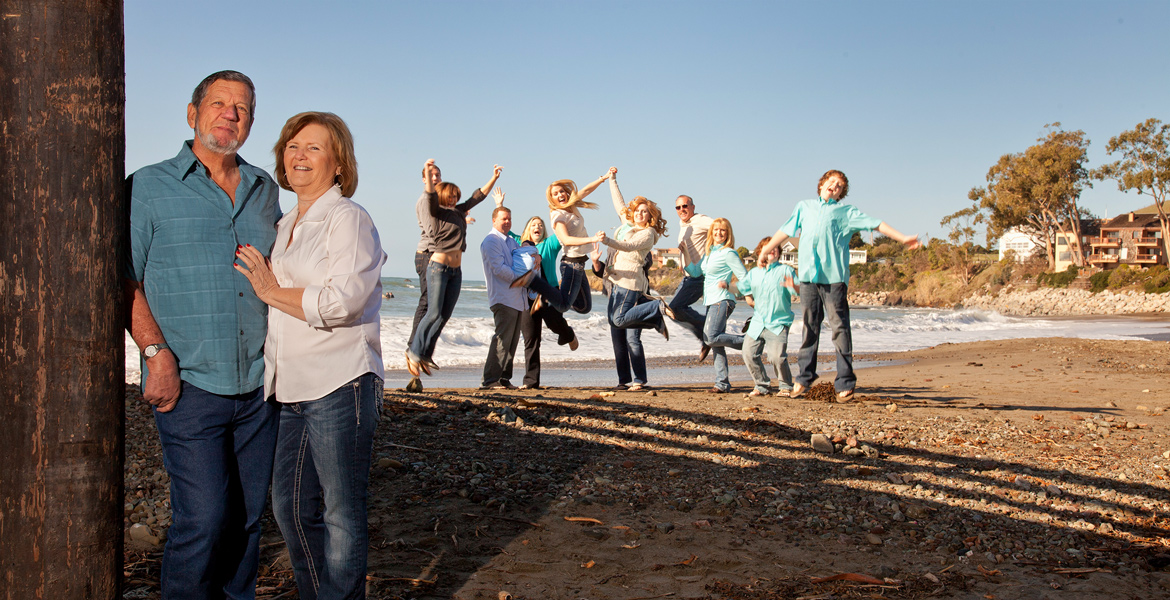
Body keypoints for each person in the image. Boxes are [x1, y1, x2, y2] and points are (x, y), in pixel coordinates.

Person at [125, 70, 281, 600]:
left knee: (247, 521)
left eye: (241, 108)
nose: (229, 115)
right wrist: (154, 353)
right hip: (189, 382)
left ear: (251, 122)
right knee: (204, 519)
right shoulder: (147, 186)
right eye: (218, 103)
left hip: (261, 385)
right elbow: (124, 279)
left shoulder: (265, 190)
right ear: (192, 114)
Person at [233, 112, 386, 600]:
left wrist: (270, 290)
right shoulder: (282, 224)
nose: (299, 155)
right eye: (292, 146)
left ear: (339, 163)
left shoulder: (349, 218)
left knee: (341, 512)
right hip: (289, 385)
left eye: (314, 148)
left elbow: (343, 302)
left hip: (341, 379)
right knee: (290, 508)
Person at [759, 169, 920, 400]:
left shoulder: (846, 212)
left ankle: (845, 380)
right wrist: (765, 249)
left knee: (839, 329)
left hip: (834, 279)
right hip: (808, 278)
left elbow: (876, 224)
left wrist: (903, 238)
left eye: (840, 186)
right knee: (809, 326)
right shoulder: (804, 207)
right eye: (831, 181)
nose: (835, 186)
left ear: (841, 193)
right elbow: (785, 230)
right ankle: (804, 377)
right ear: (822, 184)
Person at [407, 162, 499, 392]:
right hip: (437, 267)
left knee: (443, 316)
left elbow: (477, 197)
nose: (455, 198)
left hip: (456, 272)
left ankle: (424, 353)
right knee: (433, 312)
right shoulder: (435, 211)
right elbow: (429, 194)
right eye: (452, 195)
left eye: (457, 195)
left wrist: (494, 177)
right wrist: (429, 175)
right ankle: (414, 351)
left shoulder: (459, 212)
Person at [513, 174, 608, 314]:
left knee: (584, 307)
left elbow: (586, 190)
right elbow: (566, 240)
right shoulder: (558, 215)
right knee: (563, 306)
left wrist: (603, 178)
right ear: (552, 199)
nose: (560, 195)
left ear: (567, 193)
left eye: (561, 191)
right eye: (555, 194)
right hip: (572, 264)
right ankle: (537, 287)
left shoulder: (571, 205)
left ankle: (548, 297)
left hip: (580, 263)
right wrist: (593, 239)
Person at [597, 168, 670, 337]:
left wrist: (607, 241)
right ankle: (654, 319)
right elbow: (619, 204)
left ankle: (657, 306)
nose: (639, 213)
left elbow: (629, 245)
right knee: (613, 321)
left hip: (630, 281)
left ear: (649, 216)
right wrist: (612, 179)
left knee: (619, 320)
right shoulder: (629, 224)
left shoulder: (649, 233)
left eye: (644, 211)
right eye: (637, 211)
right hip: (617, 278)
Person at [513, 210, 579, 390]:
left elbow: (562, 233)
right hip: (527, 296)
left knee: (555, 323)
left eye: (541, 225)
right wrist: (499, 205)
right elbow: (504, 232)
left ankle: (568, 334)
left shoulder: (548, 244)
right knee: (531, 338)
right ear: (527, 229)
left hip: (549, 293)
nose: (537, 227)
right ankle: (531, 381)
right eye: (534, 224)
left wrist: (563, 211)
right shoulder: (519, 244)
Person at [701, 218, 752, 393]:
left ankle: (751, 341)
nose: (719, 233)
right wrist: (684, 253)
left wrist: (737, 290)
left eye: (723, 230)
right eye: (716, 230)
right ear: (711, 232)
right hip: (710, 300)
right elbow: (696, 271)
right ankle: (722, 383)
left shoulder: (729, 253)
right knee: (716, 342)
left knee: (711, 337)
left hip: (722, 299)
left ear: (728, 233)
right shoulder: (709, 253)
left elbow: (745, 277)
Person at [742, 237, 797, 397]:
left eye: (775, 248)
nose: (772, 250)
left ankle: (785, 385)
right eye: (768, 248)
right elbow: (742, 287)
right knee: (748, 353)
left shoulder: (786, 270)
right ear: (761, 252)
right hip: (758, 323)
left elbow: (798, 290)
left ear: (779, 252)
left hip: (778, 323)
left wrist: (794, 286)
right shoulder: (754, 273)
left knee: (776, 357)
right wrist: (727, 287)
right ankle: (761, 385)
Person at [480, 206, 527, 389]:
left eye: (509, 219)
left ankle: (504, 378)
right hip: (502, 297)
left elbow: (522, 258)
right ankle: (491, 379)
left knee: (513, 340)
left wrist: (535, 257)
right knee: (502, 339)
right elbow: (498, 269)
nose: (507, 222)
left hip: (517, 298)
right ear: (494, 220)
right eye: (503, 219)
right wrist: (521, 277)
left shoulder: (510, 242)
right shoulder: (491, 240)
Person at [668, 195, 715, 360]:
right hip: (688, 275)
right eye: (678, 207)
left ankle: (707, 331)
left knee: (674, 308)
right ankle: (705, 336)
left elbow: (720, 227)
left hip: (699, 275)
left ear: (693, 207)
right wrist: (682, 261)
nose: (682, 210)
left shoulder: (700, 220)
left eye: (685, 206)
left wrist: (712, 254)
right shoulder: (684, 224)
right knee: (671, 312)